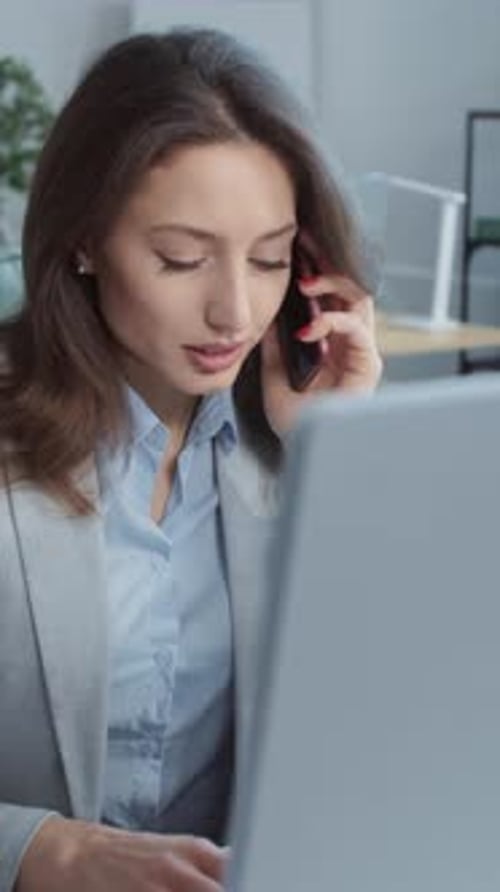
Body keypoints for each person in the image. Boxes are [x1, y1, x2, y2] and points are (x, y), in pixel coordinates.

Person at [0, 26, 382, 892]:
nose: (234, 311)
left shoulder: (281, 440)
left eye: (272, 259)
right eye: (181, 259)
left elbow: (373, 732)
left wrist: (333, 458)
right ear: (85, 242)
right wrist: (41, 850)